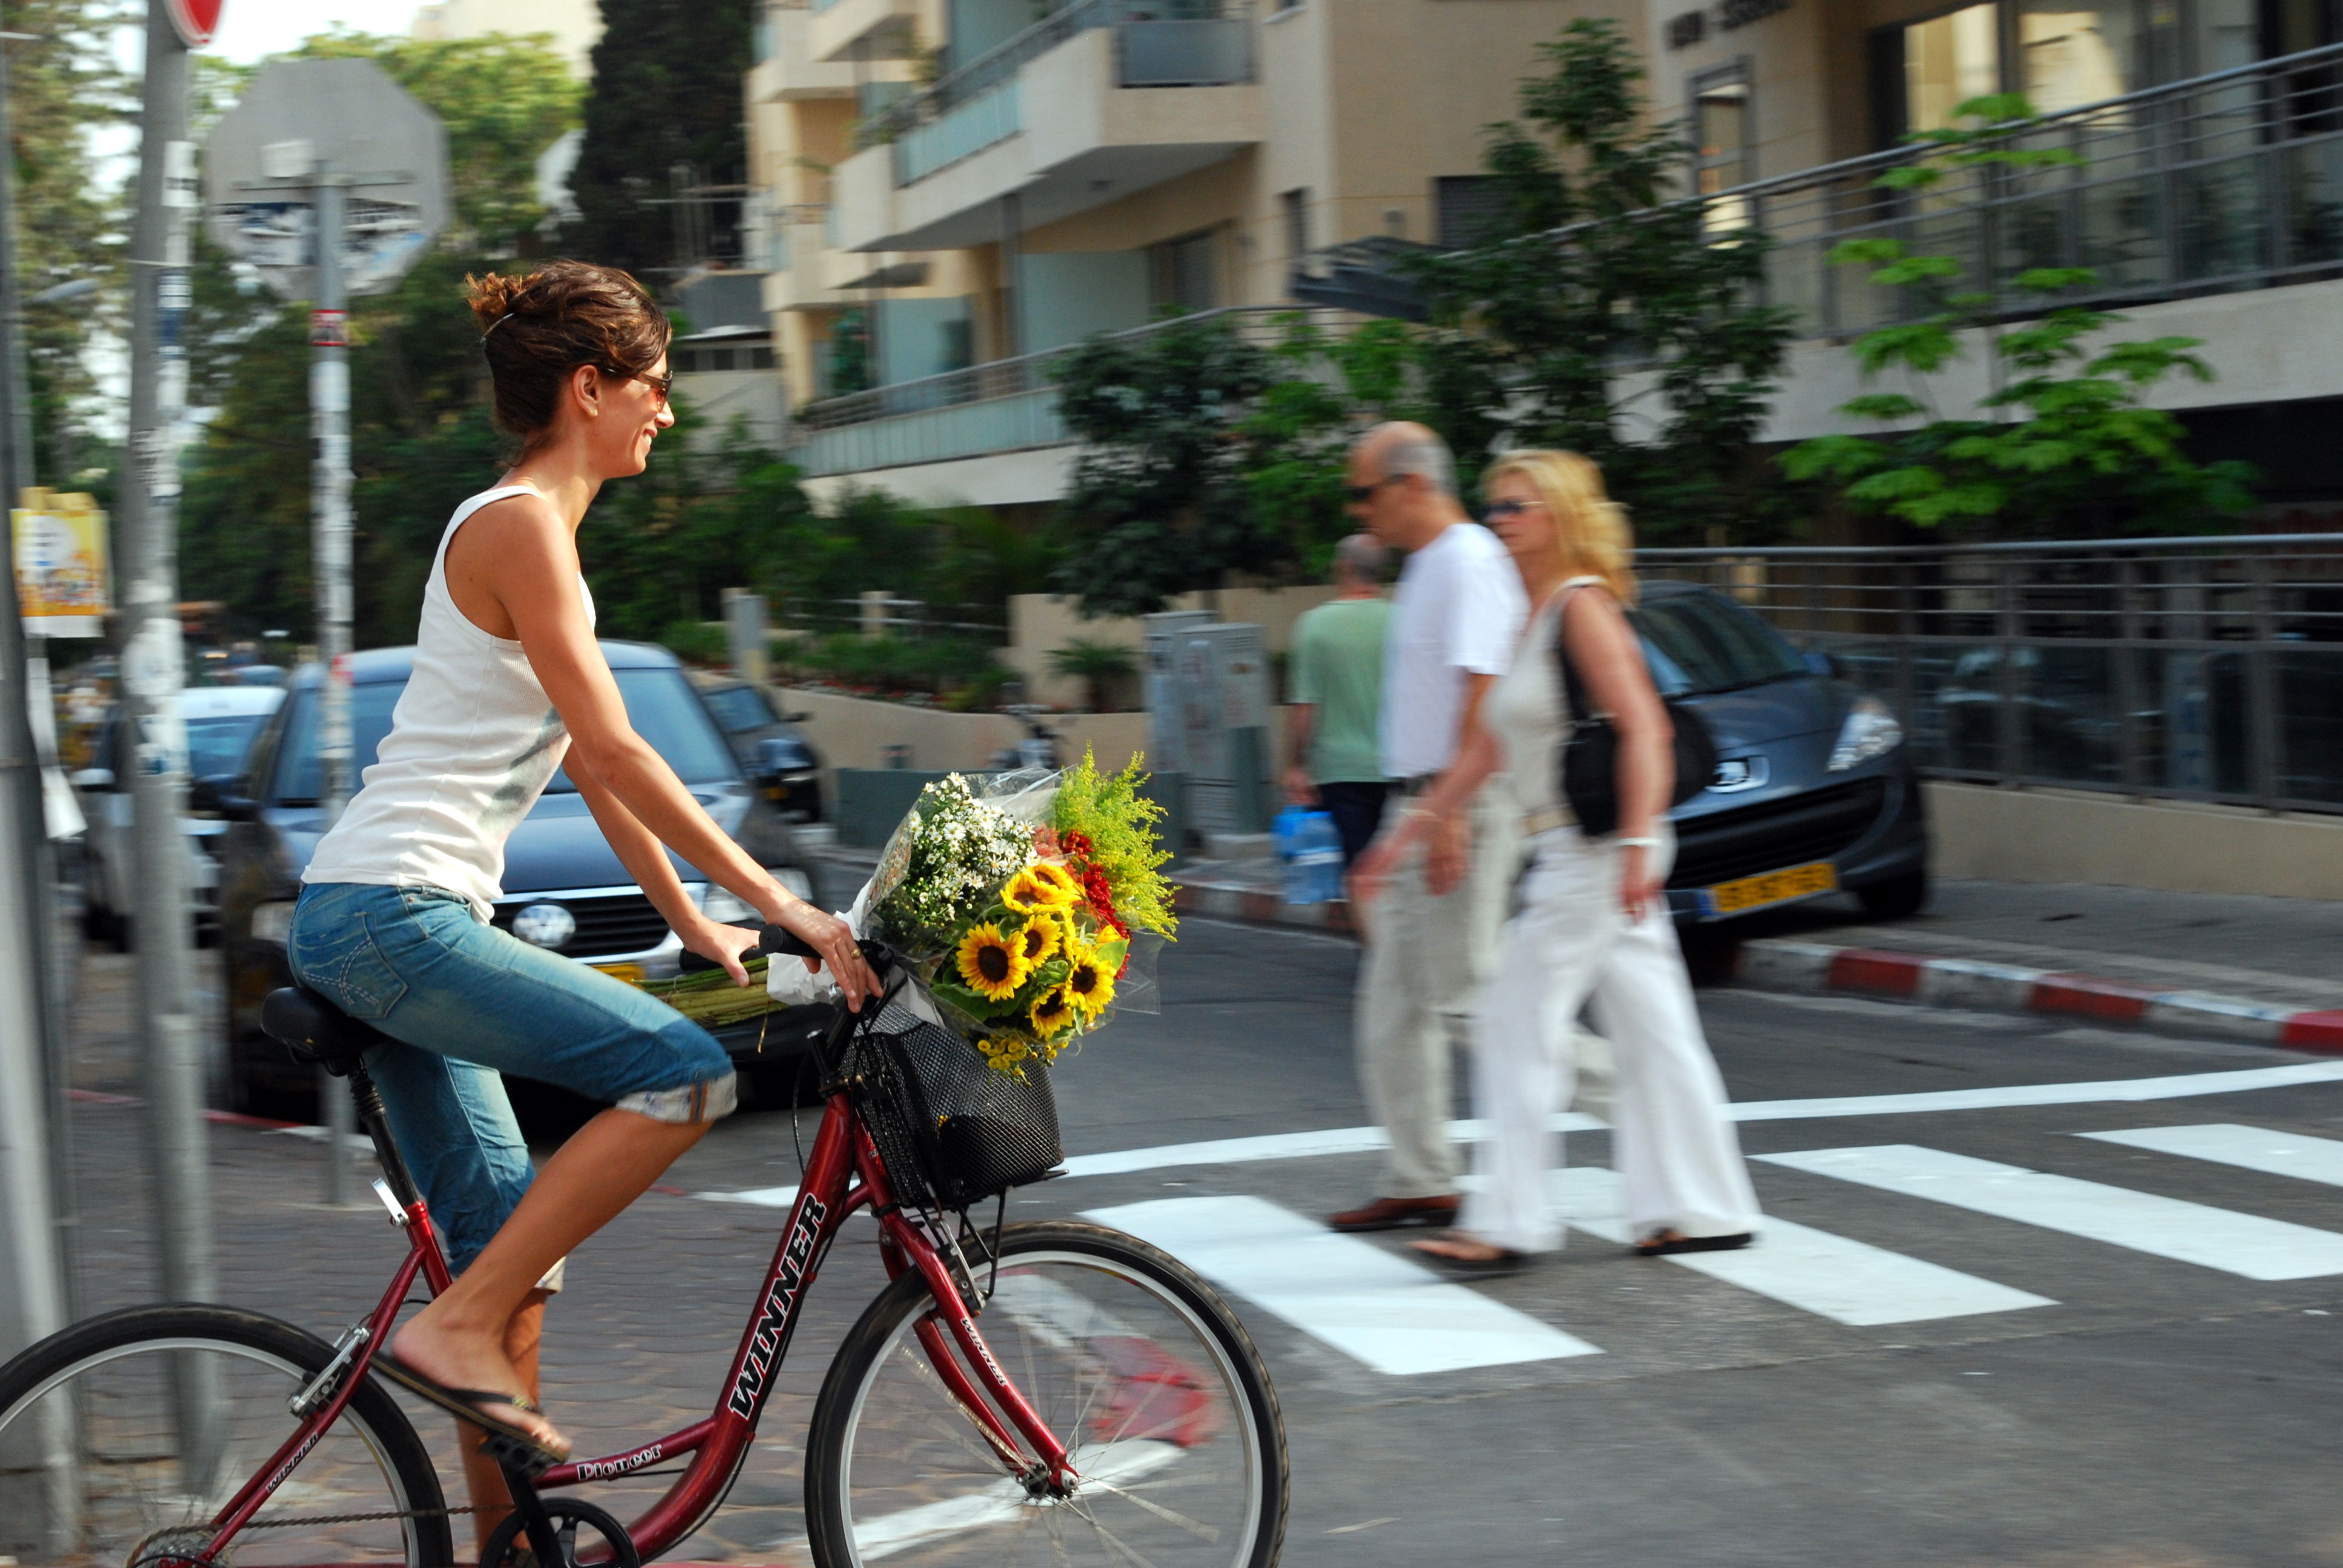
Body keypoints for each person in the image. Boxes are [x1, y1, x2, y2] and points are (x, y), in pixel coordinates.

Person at [285, 261, 880, 1544]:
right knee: (681, 1075)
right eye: (653, 384)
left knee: (515, 1284)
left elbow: (594, 778)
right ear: (590, 387)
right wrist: (794, 908)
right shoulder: (515, 527)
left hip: (391, 917)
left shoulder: (538, 541)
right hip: (391, 915)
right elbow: (617, 754)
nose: (667, 407)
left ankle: (507, 1526)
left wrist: (693, 920)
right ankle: (448, 1331)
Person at [1354, 449, 1760, 1273]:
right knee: (1658, 1034)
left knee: (1512, 1017)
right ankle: (1707, 1207)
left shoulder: (1581, 606)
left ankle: (1508, 1222)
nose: (1499, 519)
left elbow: (1646, 727)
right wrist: (1407, 833)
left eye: (1517, 508)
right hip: (1571, 843)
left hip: (1600, 849)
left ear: (1562, 519)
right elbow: (1488, 747)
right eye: (1496, 506)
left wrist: (1642, 840)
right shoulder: (1528, 613)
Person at [1328, 423, 1525, 1235]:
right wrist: (1401, 830)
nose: (1357, 509)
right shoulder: (1429, 569)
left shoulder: (1471, 560)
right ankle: (1422, 1177)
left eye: (1363, 493)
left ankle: (1644, 1096)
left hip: (1460, 800)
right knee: (1395, 1010)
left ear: (1411, 484)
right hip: (1422, 799)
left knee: (1467, 1000)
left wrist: (1445, 815)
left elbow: (1487, 693)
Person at [1283, 532, 1394, 867]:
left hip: (1340, 771)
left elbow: (1306, 707)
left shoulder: (1314, 626)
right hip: (1398, 766)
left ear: (1343, 567)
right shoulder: (1402, 621)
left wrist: (1296, 765)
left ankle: (1366, 919)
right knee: (1395, 869)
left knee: (1359, 869)